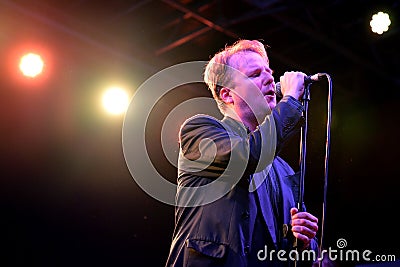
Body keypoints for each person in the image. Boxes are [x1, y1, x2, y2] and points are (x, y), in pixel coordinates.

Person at [165, 39, 319, 267]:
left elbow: (303, 253)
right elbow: (248, 157)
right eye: (256, 74)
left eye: (270, 71)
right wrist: (291, 100)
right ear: (227, 95)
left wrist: (305, 243)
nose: (270, 78)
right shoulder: (199, 131)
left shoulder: (283, 169)